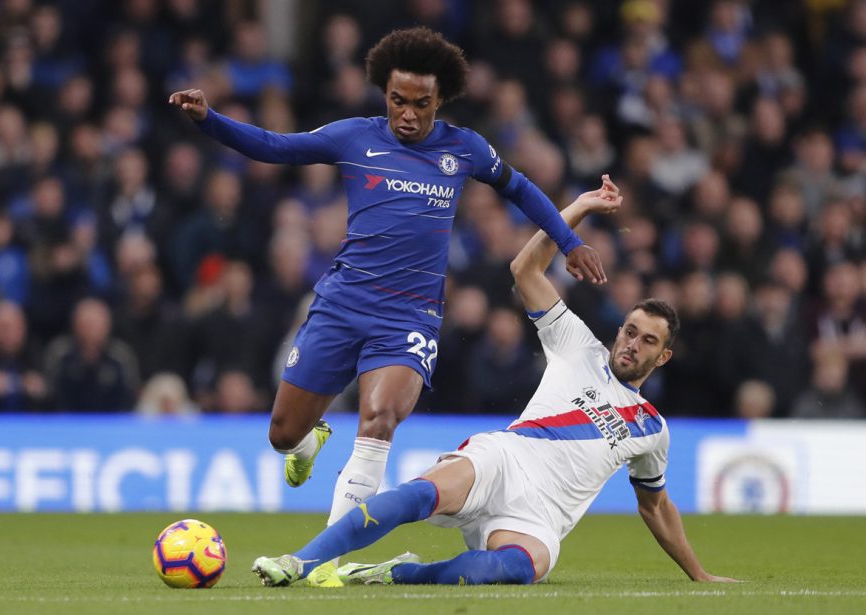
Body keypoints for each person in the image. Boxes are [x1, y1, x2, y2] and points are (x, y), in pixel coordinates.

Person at [169, 27, 607, 530]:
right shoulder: (354, 136)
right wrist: (208, 120)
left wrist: (570, 244)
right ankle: (310, 443)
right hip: (342, 304)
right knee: (283, 434)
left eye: (422, 103)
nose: (408, 114)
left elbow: (522, 189)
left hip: (408, 314)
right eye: (398, 101)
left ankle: (326, 556)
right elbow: (273, 146)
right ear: (385, 93)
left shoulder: (464, 148)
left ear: (441, 98)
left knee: (378, 419)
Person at [250, 176, 736, 587]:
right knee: (415, 497)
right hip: (503, 460)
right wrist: (581, 207)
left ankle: (391, 575)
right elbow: (525, 268)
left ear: (664, 356)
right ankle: (300, 562)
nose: (633, 344)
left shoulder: (652, 429)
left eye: (648, 341)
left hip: (540, 520)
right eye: (630, 331)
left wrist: (700, 575)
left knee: (504, 571)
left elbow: (657, 508)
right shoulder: (578, 345)